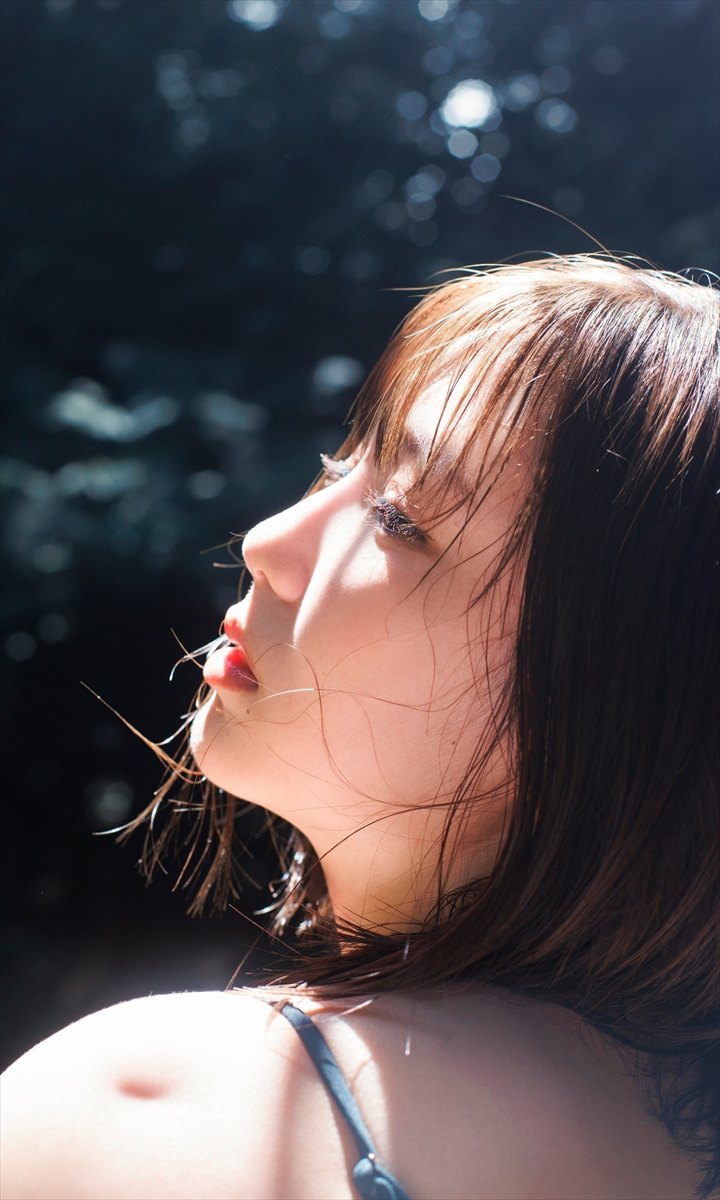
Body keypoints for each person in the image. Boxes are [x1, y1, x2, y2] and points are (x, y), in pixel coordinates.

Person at [0, 255, 717, 1200]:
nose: (267, 540)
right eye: (341, 463)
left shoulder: (147, 1120)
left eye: (398, 517)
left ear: (618, 702)